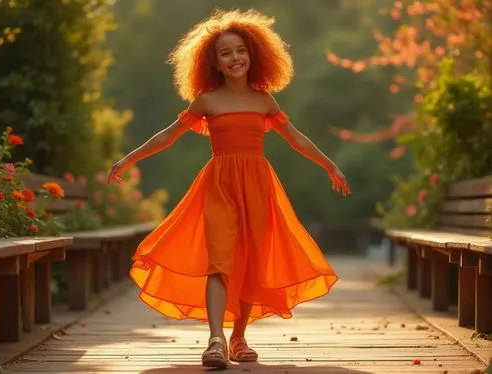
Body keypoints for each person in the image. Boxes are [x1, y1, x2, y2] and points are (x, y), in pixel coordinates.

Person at [108, 8, 351, 369]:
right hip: (220, 184)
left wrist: (329, 164)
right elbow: (168, 135)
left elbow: (295, 137)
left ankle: (238, 336)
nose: (235, 57)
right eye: (226, 53)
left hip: (258, 185)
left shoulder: (264, 99)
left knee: (251, 260)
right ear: (215, 64)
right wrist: (130, 158)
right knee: (220, 261)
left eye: (240, 50)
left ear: (253, 54)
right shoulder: (207, 101)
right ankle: (215, 340)